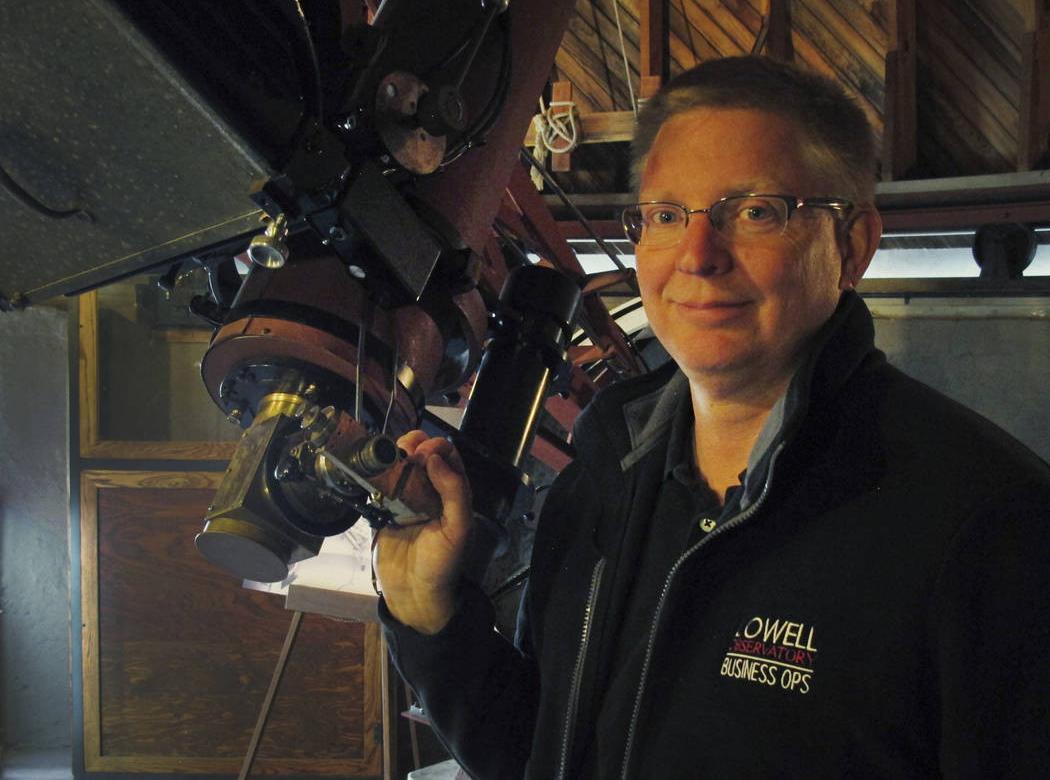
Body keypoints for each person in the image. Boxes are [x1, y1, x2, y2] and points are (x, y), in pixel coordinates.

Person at [373, 55, 1050, 779]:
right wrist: (429, 617)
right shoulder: (600, 482)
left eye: (755, 212)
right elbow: (544, 757)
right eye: (666, 215)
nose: (697, 255)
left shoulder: (989, 526)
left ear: (851, 246)